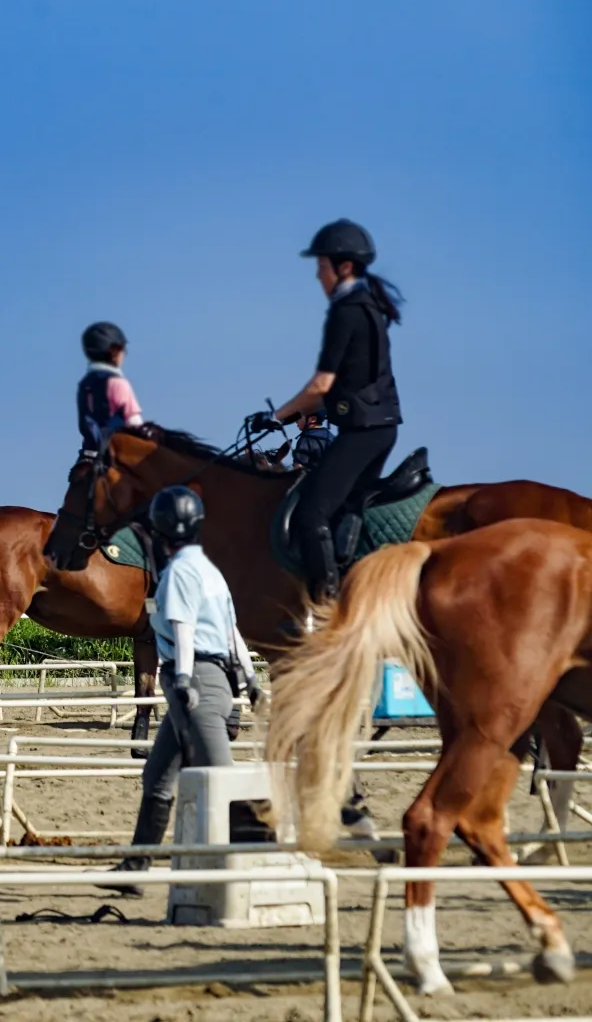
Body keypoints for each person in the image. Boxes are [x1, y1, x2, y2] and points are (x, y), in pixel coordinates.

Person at [105, 486, 258, 892]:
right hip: (213, 679)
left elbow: (183, 633)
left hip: (194, 684)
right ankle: (135, 870)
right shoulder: (211, 570)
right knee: (158, 777)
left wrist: (185, 679)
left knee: (221, 777)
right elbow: (231, 631)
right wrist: (251, 675)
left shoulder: (175, 574)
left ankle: (261, 864)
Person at [248, 220, 404, 608]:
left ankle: (325, 606)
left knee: (310, 515)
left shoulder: (346, 311)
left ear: (344, 267)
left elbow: (320, 386)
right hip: (379, 427)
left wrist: (275, 417)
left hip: (362, 430)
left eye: (321, 266)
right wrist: (286, 416)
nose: (318, 274)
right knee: (344, 512)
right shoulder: (367, 307)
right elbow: (328, 393)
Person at [77, 322, 144, 453]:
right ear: (114, 351)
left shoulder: (84, 385)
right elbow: (135, 424)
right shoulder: (118, 383)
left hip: (91, 453)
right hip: (119, 453)